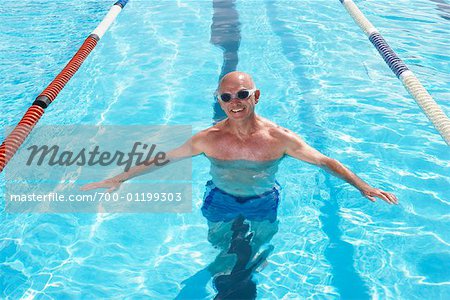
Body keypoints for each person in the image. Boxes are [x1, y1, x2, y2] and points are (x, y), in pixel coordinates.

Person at [81, 71, 398, 298]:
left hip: (263, 200)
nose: (235, 102)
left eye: (242, 95)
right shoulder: (209, 138)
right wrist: (119, 178)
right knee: (220, 249)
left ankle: (244, 284)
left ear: (255, 96)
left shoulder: (279, 138)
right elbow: (163, 158)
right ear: (219, 101)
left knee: (259, 250)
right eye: (227, 97)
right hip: (220, 199)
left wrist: (362, 186)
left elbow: (325, 161)